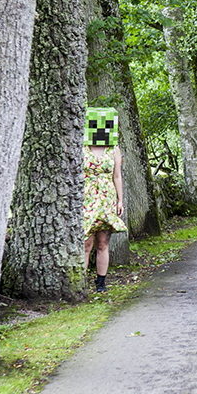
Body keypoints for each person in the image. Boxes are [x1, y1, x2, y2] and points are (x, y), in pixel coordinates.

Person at [83, 107, 127, 292]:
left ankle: (101, 283)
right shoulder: (82, 146)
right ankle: (80, 282)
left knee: (102, 243)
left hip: (106, 199)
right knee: (86, 243)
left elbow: (117, 176)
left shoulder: (113, 148)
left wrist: (120, 200)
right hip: (86, 199)